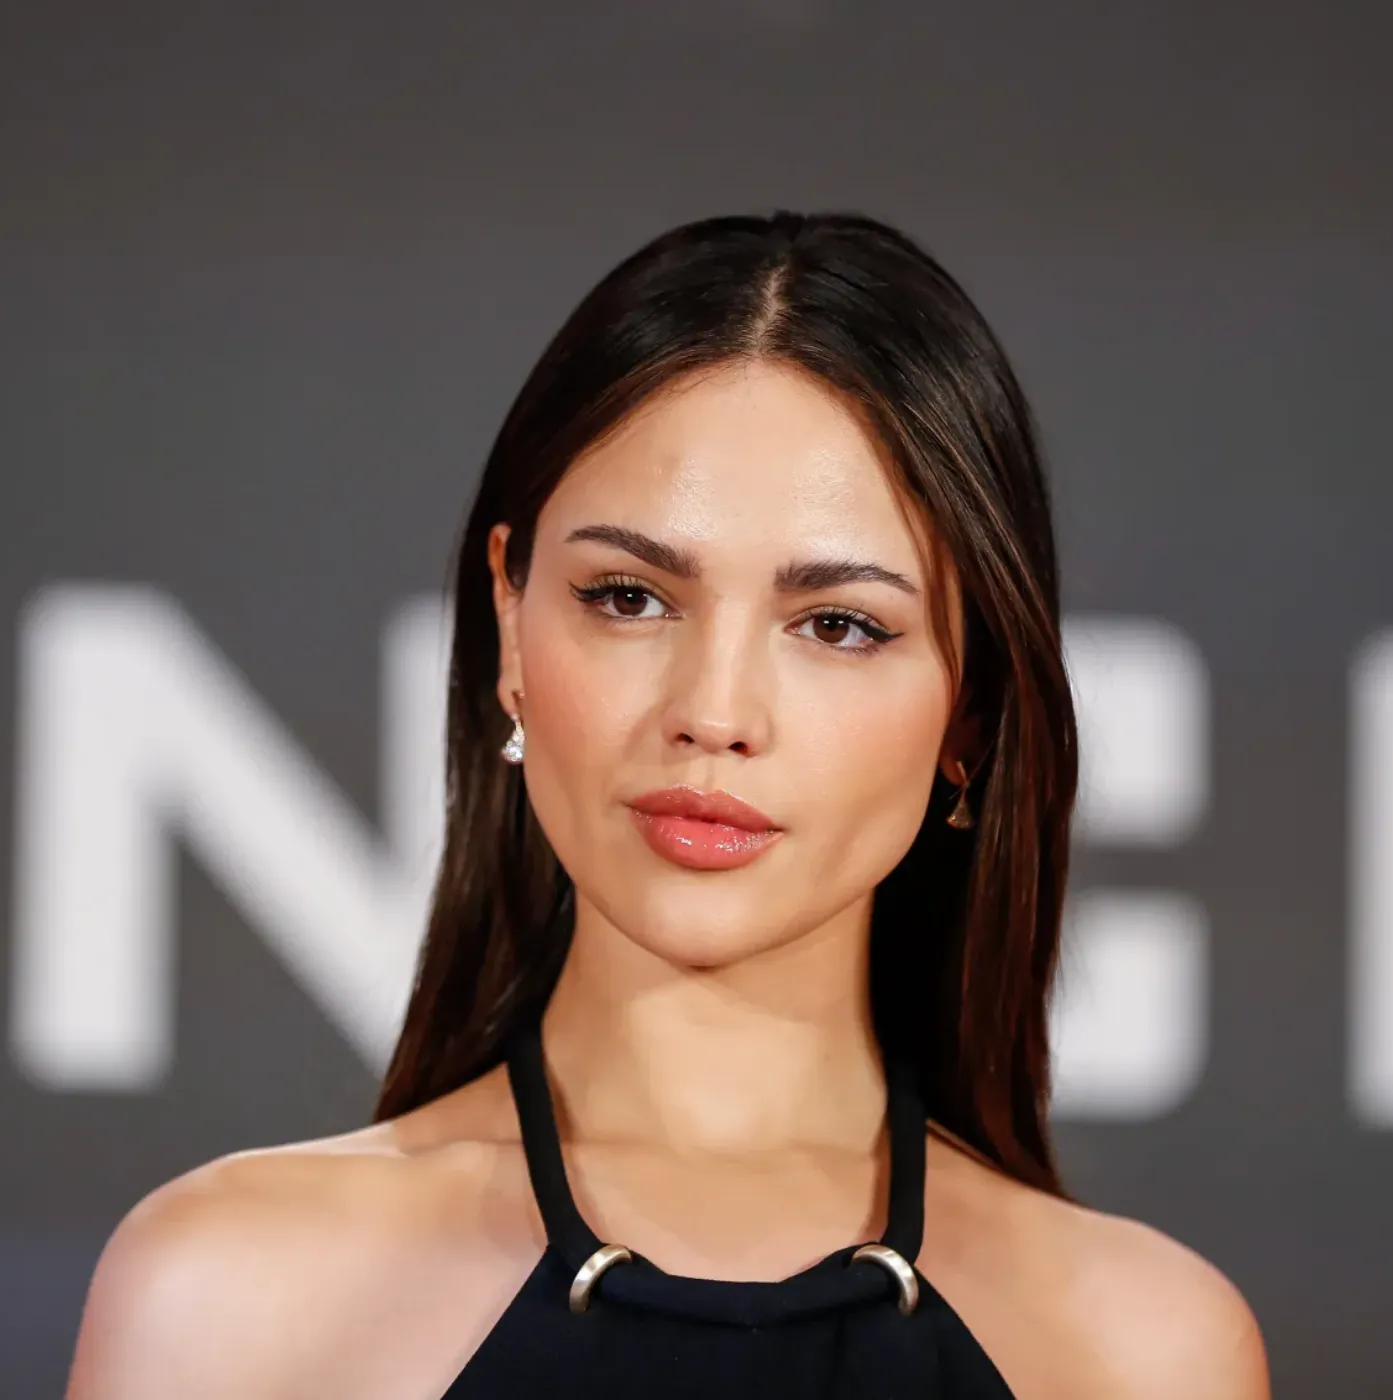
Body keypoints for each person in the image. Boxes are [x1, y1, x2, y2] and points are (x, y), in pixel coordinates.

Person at [64, 211, 1270, 1399]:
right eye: (629, 597)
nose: (713, 710)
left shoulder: (1144, 1351)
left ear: (972, 711)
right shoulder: (228, 1295)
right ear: (509, 620)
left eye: (837, 624)